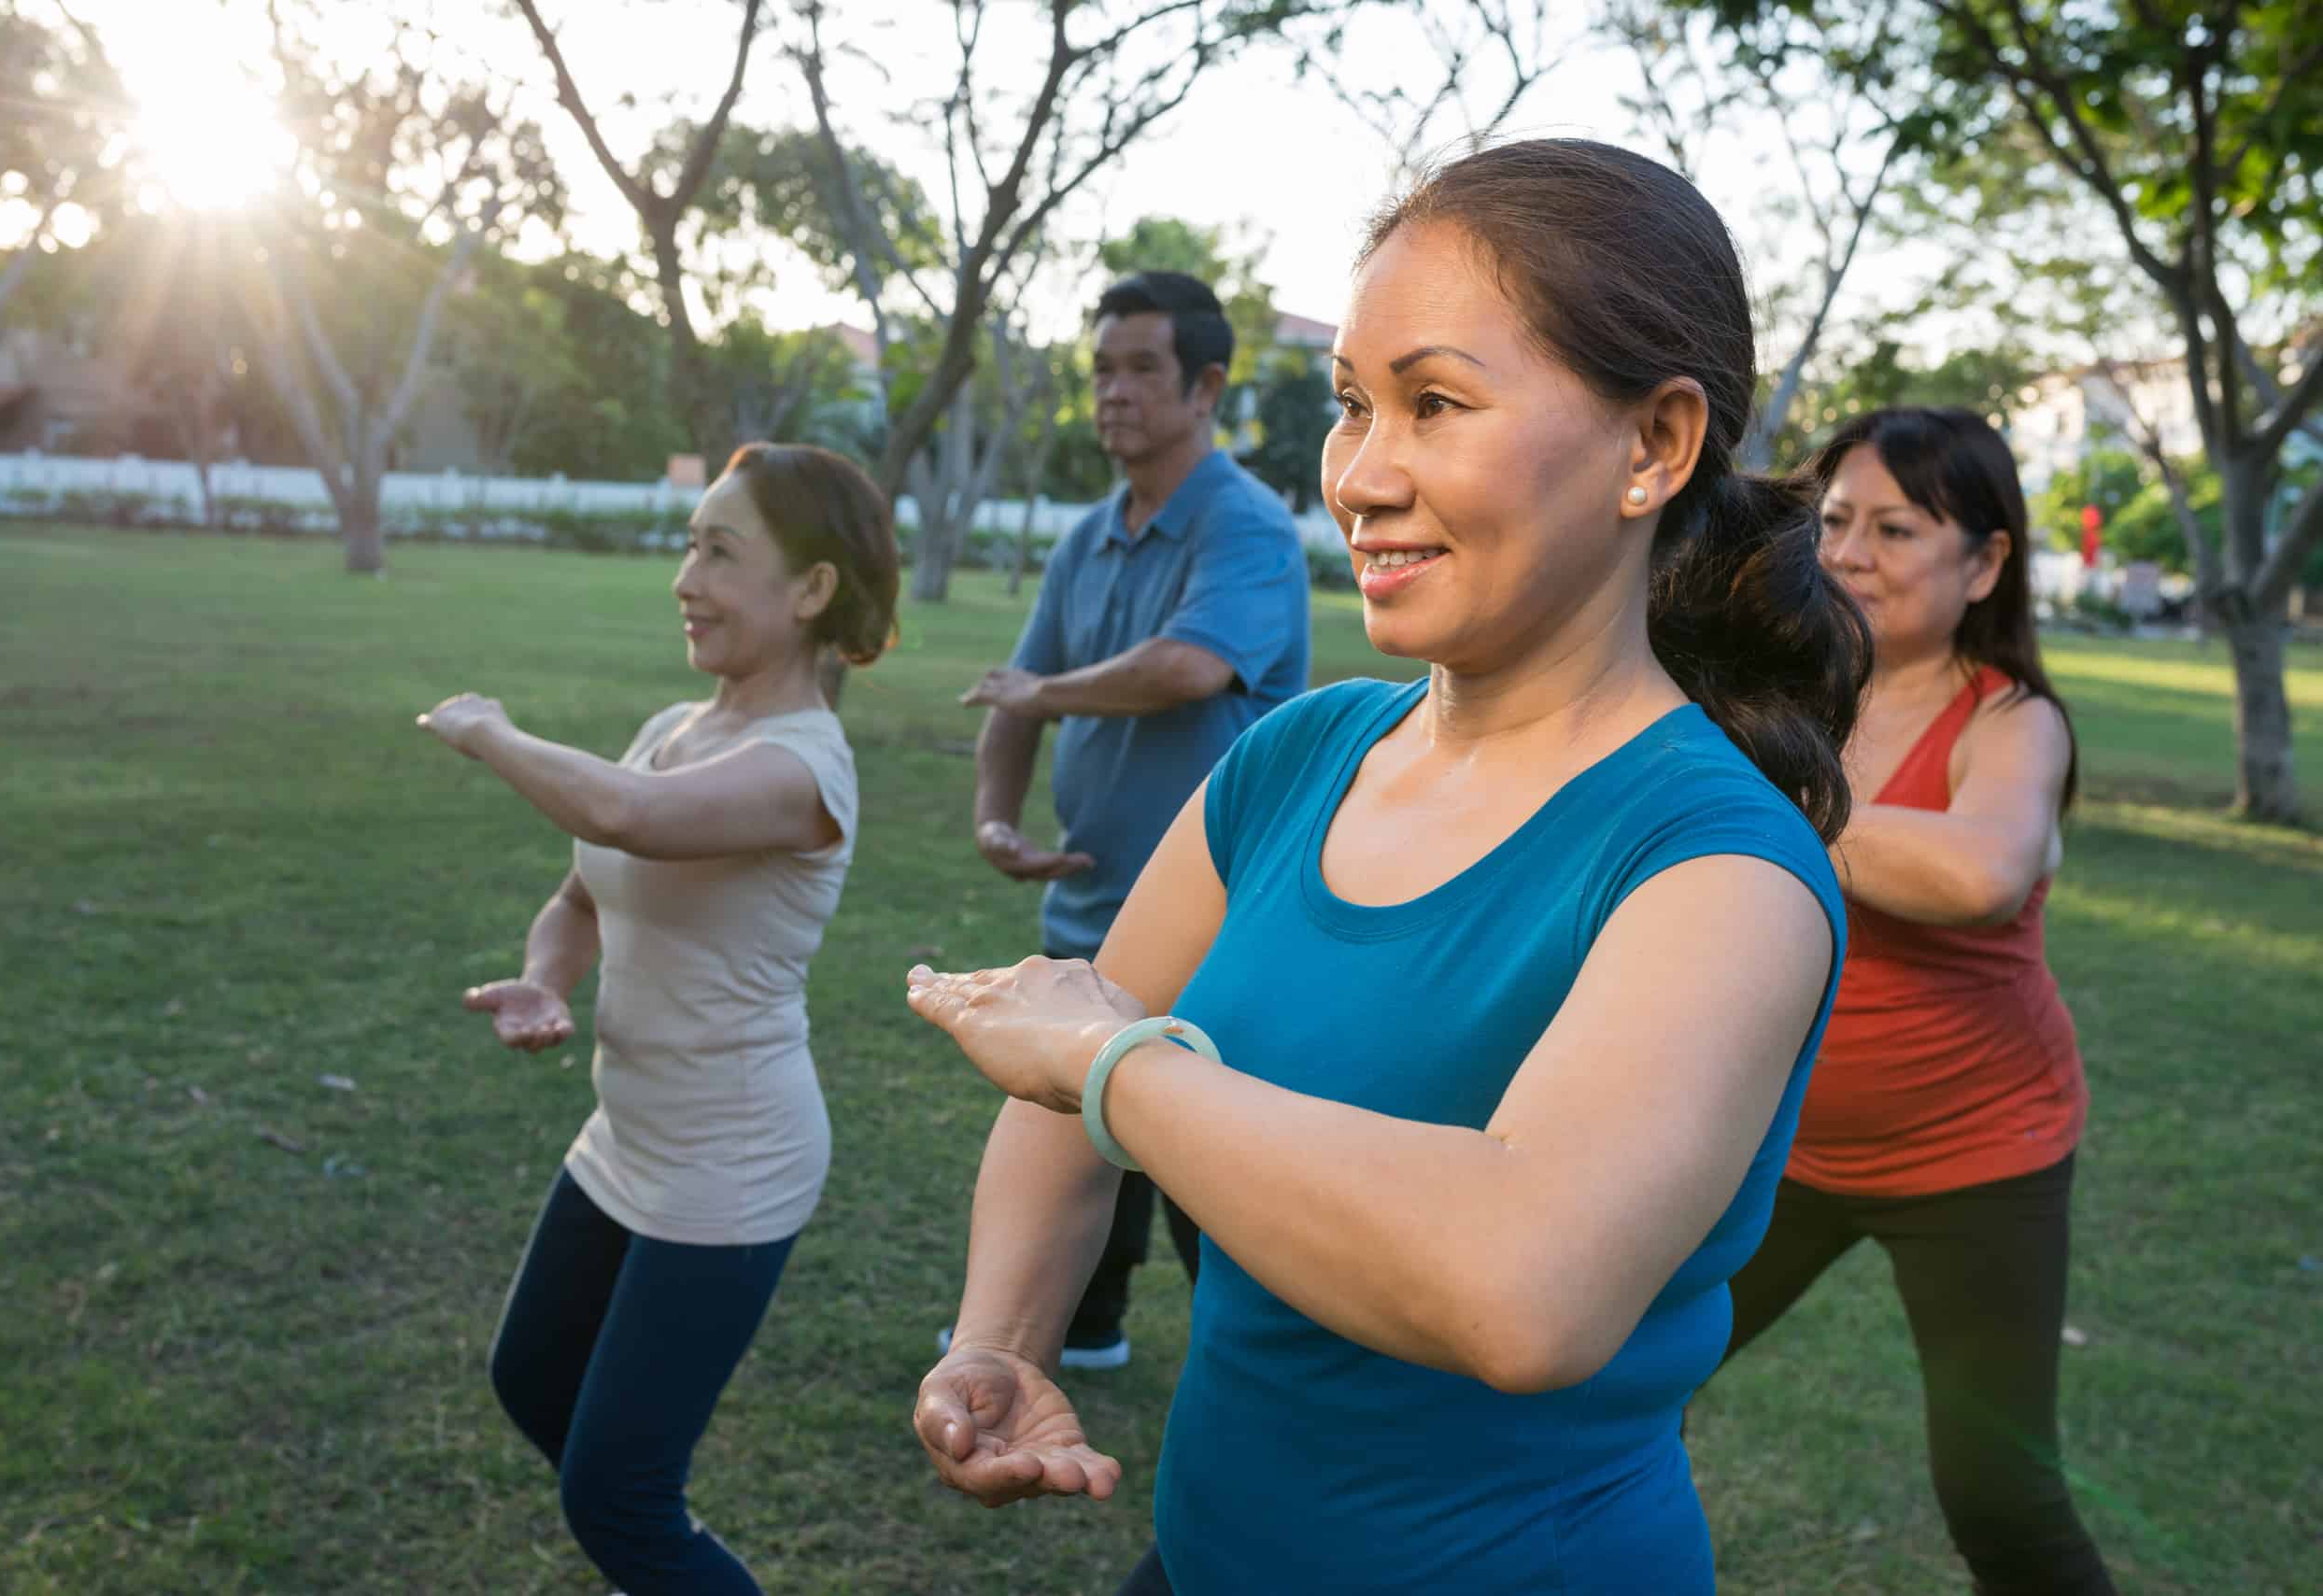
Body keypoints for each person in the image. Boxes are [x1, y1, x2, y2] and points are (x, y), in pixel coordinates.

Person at [900, 138, 1871, 1594]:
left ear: (1654, 447)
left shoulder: (1722, 867)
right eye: (1354, 406)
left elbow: (1525, 1286)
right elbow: (1057, 1099)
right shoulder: (1296, 759)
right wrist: (999, 1336)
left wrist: (1122, 1069)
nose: (1358, 475)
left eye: (1435, 403)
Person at [416, 443, 899, 1596]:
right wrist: (548, 978)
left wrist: (493, 731)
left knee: (617, 1494)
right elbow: (583, 889)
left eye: (719, 551)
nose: (685, 576)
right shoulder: (674, 724)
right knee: (534, 1379)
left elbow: (624, 815)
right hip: (625, 1137)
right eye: (689, 544)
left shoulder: (803, 770)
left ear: (812, 589)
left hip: (729, 1164)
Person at [1709, 407, 2115, 1594]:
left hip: (1978, 1155)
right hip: (1782, 1146)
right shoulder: (1773, 689)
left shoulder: (2009, 718)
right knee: (1614, 1378)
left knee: (2000, 1495)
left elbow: (1983, 871)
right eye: (1834, 521)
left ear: (1983, 563)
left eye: (1895, 528)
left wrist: (1772, 807)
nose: (1848, 553)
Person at [944, 268, 1311, 1371]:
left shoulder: (1243, 525)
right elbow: (1021, 685)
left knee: (1205, 1148)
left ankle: (1260, 1361)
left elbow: (1190, 667)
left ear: (1204, 386)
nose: (1113, 392)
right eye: (1100, 370)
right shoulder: (1087, 535)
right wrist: (996, 816)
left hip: (1221, 915)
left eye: (1140, 368)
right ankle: (1085, 1326)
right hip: (1091, 895)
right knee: (1067, 1119)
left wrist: (1039, 697)